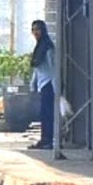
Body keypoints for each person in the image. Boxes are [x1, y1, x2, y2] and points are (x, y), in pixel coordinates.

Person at [28, 20, 55, 150]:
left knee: (48, 114)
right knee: (44, 114)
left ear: (43, 30)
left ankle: (48, 140)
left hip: (49, 84)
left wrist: (56, 88)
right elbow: (37, 69)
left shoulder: (47, 47)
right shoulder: (39, 47)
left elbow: (53, 68)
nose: (36, 32)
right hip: (43, 85)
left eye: (38, 29)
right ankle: (45, 139)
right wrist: (33, 84)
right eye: (34, 30)